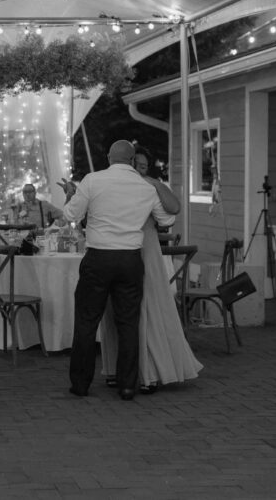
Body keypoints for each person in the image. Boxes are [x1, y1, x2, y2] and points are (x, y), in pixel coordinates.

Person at [60, 140, 175, 401]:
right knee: (128, 323)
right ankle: (127, 385)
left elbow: (71, 215)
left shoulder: (92, 180)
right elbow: (167, 219)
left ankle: (80, 384)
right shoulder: (145, 187)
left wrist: (70, 197)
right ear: (132, 160)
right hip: (130, 259)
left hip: (98, 257)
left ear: (109, 157)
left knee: (87, 321)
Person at [98, 146, 202, 394]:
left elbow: (173, 208)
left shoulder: (148, 187)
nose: (140, 170)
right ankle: (115, 369)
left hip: (146, 250)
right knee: (114, 310)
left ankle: (150, 371)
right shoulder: (111, 183)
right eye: (137, 165)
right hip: (117, 248)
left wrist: (153, 182)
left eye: (144, 167)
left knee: (149, 308)